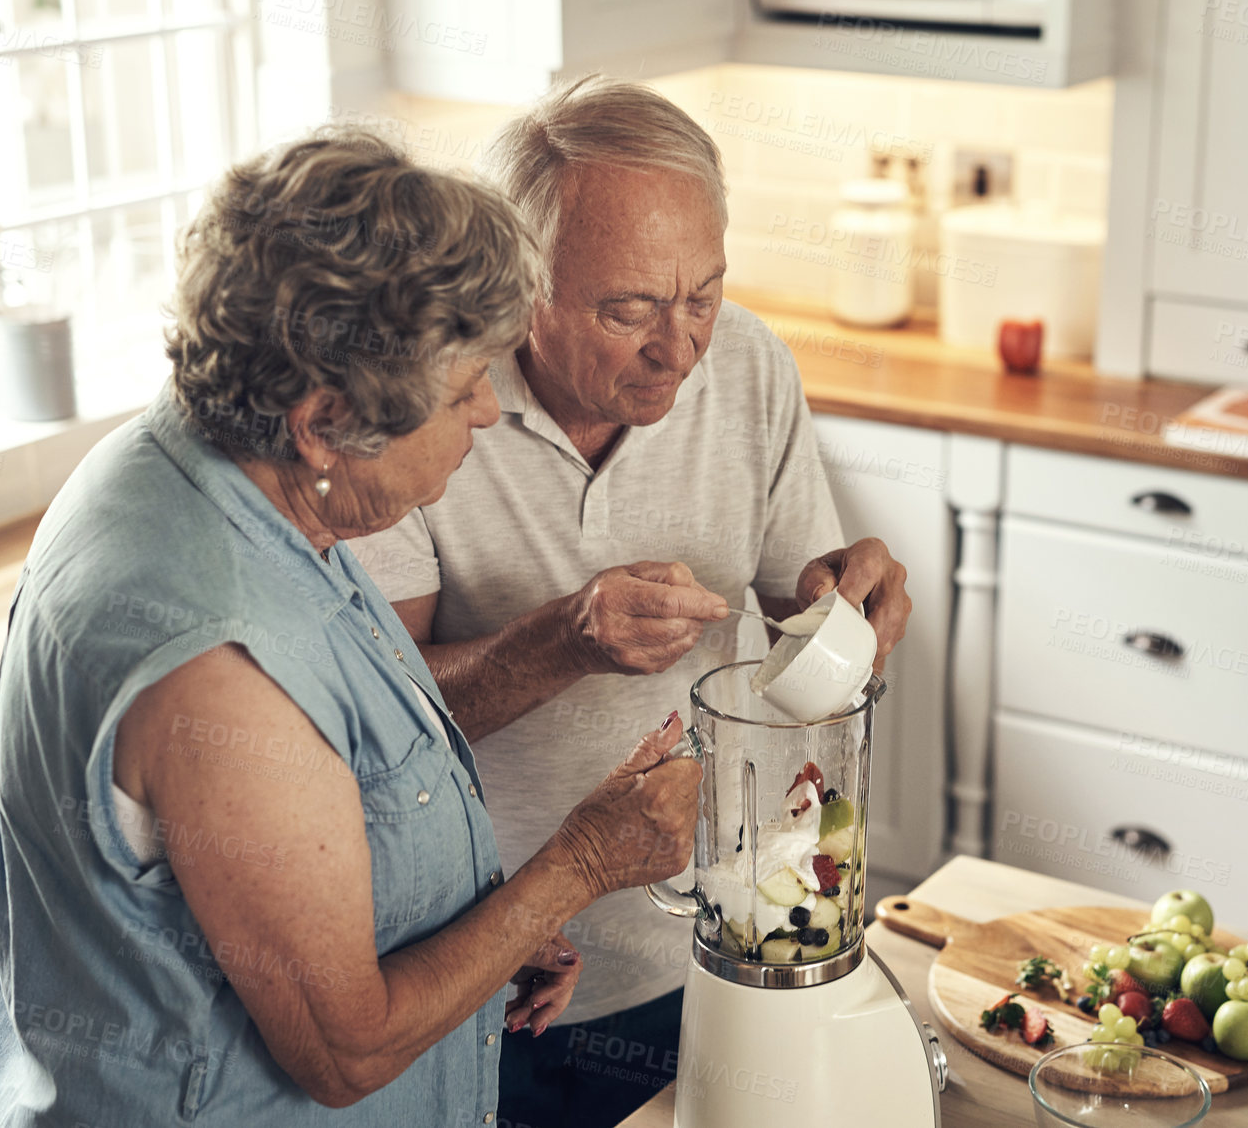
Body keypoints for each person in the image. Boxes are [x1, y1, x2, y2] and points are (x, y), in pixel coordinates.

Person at [0, 128, 700, 1126]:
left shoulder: (227, 472)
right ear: (321, 422)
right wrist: (575, 867)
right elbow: (344, 1048)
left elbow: (314, 833)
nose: (485, 414)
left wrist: (472, 929)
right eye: (455, 393)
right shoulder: (214, 661)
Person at [349, 76, 913, 1128]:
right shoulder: (422, 404)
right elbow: (374, 712)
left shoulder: (745, 363)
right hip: (480, 970)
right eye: (628, 309)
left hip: (706, 939)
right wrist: (562, 639)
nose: (680, 345)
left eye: (700, 292)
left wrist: (850, 600)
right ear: (524, 288)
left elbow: (806, 604)